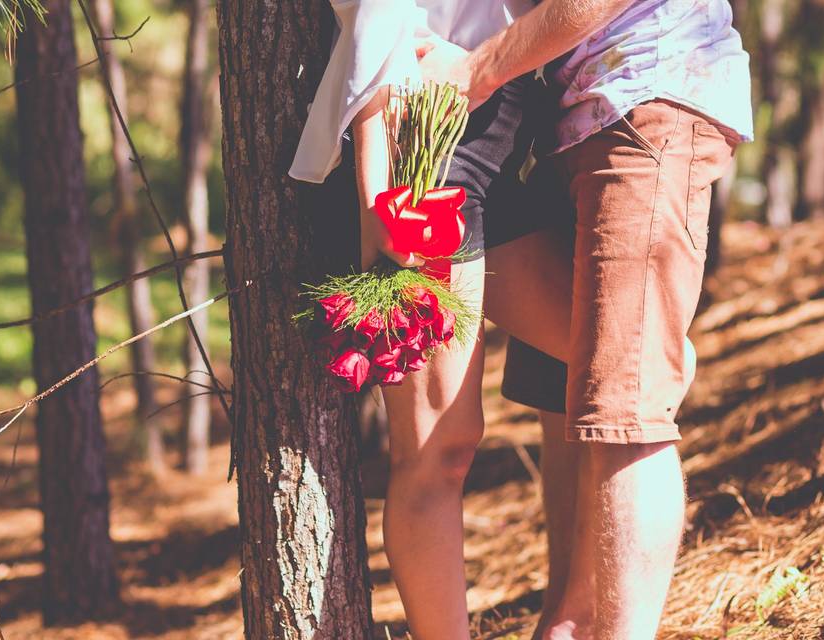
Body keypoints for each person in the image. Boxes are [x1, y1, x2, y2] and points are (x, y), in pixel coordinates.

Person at [419, 0, 754, 638]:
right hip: (573, 115)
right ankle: (571, 617)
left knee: (626, 407)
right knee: (583, 384)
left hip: (646, 96)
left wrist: (478, 68)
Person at [290, 2, 580, 638]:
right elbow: (376, 15)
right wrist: (378, 196)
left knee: (621, 366)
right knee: (439, 445)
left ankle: (570, 620)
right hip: (425, 134)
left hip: (508, 127)